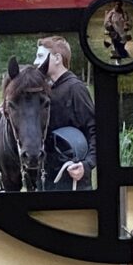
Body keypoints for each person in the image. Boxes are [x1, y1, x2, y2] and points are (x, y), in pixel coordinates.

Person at [33, 36, 96, 190]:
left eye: (40, 56)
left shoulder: (76, 89)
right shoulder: (44, 90)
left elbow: (95, 131)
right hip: (46, 176)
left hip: (71, 176)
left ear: (57, 58)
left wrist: (86, 165)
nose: (35, 62)